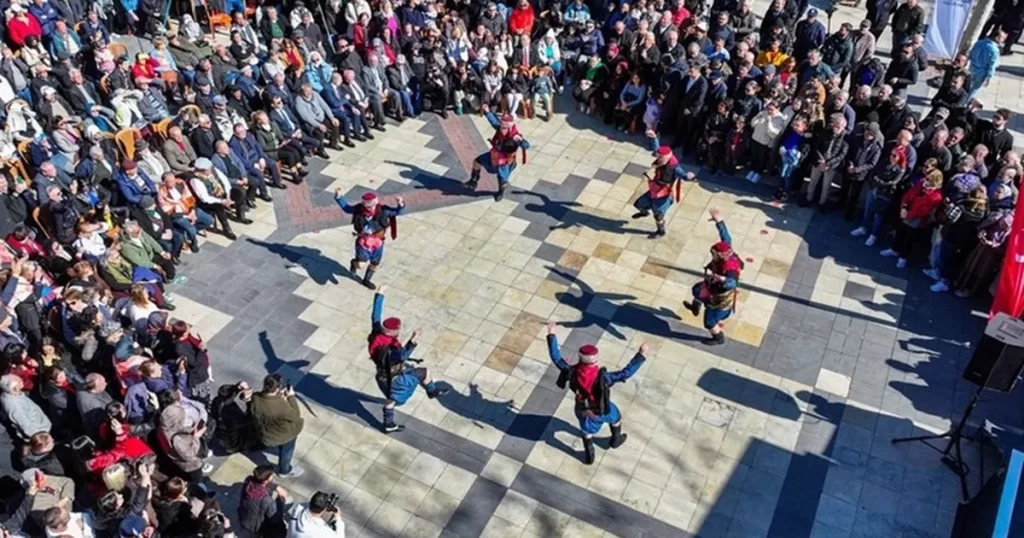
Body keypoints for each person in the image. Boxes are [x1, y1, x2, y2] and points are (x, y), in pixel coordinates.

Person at [546, 322, 647, 465]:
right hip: (602, 409)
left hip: (582, 409)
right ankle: (615, 439)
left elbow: (556, 357)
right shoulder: (603, 378)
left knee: (586, 431)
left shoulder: (571, 371)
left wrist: (551, 333)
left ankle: (589, 456)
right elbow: (625, 373)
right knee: (616, 417)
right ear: (595, 360)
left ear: (580, 358)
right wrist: (641, 355)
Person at [368, 285, 448, 433]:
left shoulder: (376, 334)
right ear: (393, 331)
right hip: (397, 380)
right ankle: (432, 391)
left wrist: (379, 294)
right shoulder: (391, 349)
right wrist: (413, 340)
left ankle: (388, 424)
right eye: (398, 329)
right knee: (424, 372)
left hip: (382, 377)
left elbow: (375, 315)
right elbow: (403, 355)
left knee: (390, 400)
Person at [683, 208, 743, 345]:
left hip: (720, 299)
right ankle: (695, 307)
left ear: (721, 256)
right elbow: (726, 238)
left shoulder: (730, 268)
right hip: (713, 285)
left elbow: (732, 282)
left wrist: (722, 279)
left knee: (709, 322)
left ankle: (718, 338)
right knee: (697, 290)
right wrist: (719, 221)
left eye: (714, 254)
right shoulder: (727, 251)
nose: (713, 255)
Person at [335, 191, 405, 289]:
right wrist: (339, 197)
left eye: (372, 206)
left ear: (376, 203)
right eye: (367, 206)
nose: (370, 208)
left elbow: (397, 212)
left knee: (375, 263)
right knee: (361, 264)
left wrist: (400, 203)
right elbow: (347, 208)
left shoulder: (383, 210)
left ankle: (366, 280)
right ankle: (354, 263)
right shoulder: (358, 210)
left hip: (378, 242)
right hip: (363, 242)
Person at [465, 105, 531, 201]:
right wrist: (487, 112)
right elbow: (494, 122)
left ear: (509, 127)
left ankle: (501, 192)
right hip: (494, 155)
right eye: (502, 127)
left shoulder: (515, 136)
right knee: (477, 161)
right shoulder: (500, 128)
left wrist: (521, 141)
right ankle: (473, 181)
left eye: (505, 128)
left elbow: (526, 145)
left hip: (504, 160)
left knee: (502, 178)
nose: (502, 129)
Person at [249, 374, 305, 478]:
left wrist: (279, 396)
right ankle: (284, 470)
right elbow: (295, 416)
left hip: (265, 435)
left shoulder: (256, 397)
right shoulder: (281, 406)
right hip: (282, 436)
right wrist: (291, 397)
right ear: (278, 387)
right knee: (287, 450)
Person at [631, 146, 687, 238]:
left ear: (668, 156)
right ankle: (644, 212)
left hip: (664, 194)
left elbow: (683, 175)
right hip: (654, 189)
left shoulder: (674, 167)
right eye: (658, 156)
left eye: (661, 157)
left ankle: (661, 231)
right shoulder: (660, 162)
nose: (658, 158)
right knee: (638, 204)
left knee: (658, 216)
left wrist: (688, 177)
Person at [239, 464, 287, 538]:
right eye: (271, 475)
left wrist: (276, 487)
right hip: (256, 526)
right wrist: (280, 501)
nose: (273, 476)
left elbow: (260, 484)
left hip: (244, 516)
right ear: (265, 480)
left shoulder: (248, 480)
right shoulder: (268, 501)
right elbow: (275, 518)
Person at [968, 30, 1005, 100]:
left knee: (966, 87)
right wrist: (989, 77)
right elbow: (992, 66)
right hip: (982, 73)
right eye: (1002, 38)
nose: (1003, 41)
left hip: (972, 67)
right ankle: (964, 104)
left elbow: (970, 53)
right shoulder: (994, 50)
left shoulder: (979, 42)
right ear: (997, 38)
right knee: (973, 91)